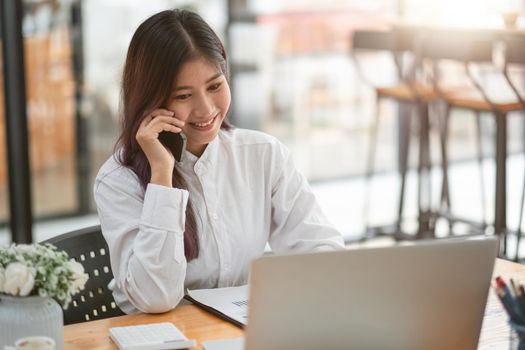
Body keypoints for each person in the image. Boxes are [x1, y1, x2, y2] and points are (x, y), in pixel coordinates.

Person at [94, 8, 344, 315]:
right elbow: (155, 298)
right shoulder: (118, 180)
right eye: (184, 96)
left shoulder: (262, 154)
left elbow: (322, 250)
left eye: (215, 86)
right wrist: (161, 173)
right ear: (152, 100)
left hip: (241, 331)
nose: (206, 109)